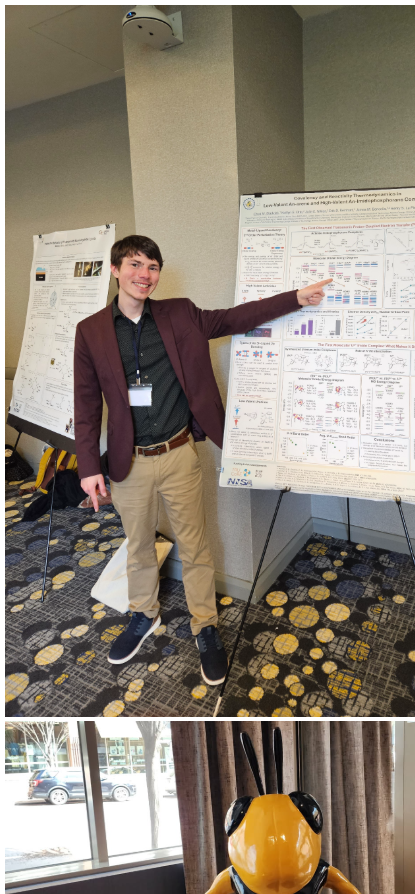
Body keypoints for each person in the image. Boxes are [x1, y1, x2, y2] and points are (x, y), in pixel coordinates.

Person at [74, 234, 332, 685]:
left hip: (178, 453)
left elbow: (236, 317)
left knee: (195, 545)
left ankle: (205, 626)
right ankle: (143, 613)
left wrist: (295, 298)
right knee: (138, 544)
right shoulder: (91, 331)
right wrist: (88, 467)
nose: (144, 275)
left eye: (153, 266)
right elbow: (86, 402)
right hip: (128, 462)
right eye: (135, 264)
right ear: (115, 270)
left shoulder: (181, 314)